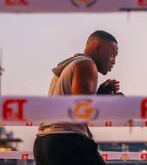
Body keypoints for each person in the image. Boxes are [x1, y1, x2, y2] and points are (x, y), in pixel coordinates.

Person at [33, 30, 121, 165]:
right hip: (67, 142)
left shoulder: (67, 67)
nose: (114, 61)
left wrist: (101, 94)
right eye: (113, 54)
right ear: (98, 48)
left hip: (44, 143)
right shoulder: (87, 65)